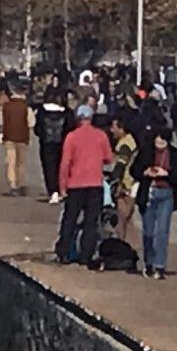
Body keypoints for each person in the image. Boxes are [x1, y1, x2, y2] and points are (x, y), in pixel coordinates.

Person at [56, 104, 114, 266]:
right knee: (91, 222)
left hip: (75, 184)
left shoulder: (72, 137)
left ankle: (64, 252)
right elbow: (108, 158)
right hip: (95, 184)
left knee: (70, 220)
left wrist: (62, 187)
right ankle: (86, 255)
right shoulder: (101, 136)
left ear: (78, 118)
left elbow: (65, 164)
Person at [132, 128, 177, 279]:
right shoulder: (146, 152)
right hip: (148, 193)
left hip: (167, 194)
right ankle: (149, 262)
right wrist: (145, 172)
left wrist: (167, 174)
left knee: (162, 231)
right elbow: (134, 170)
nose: (160, 144)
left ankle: (160, 266)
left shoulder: (174, 154)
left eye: (162, 141)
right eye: (157, 141)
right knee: (148, 232)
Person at [36, 89, 73, 203]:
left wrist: (42, 135)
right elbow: (71, 127)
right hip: (62, 143)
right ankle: (63, 189)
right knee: (62, 166)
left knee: (48, 167)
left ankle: (52, 191)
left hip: (46, 143)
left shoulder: (42, 111)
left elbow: (38, 128)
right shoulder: (67, 112)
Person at [0, 84, 33, 197]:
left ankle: (13, 184)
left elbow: (0, 121)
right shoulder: (26, 107)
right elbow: (31, 122)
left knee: (11, 161)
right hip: (22, 137)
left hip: (9, 136)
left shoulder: (6, 106)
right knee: (21, 162)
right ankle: (21, 183)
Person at [110, 117, 138, 242]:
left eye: (114, 127)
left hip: (127, 183)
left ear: (121, 129)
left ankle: (122, 244)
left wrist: (115, 180)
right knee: (127, 218)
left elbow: (121, 164)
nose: (112, 130)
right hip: (132, 182)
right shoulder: (130, 140)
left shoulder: (125, 144)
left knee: (122, 217)